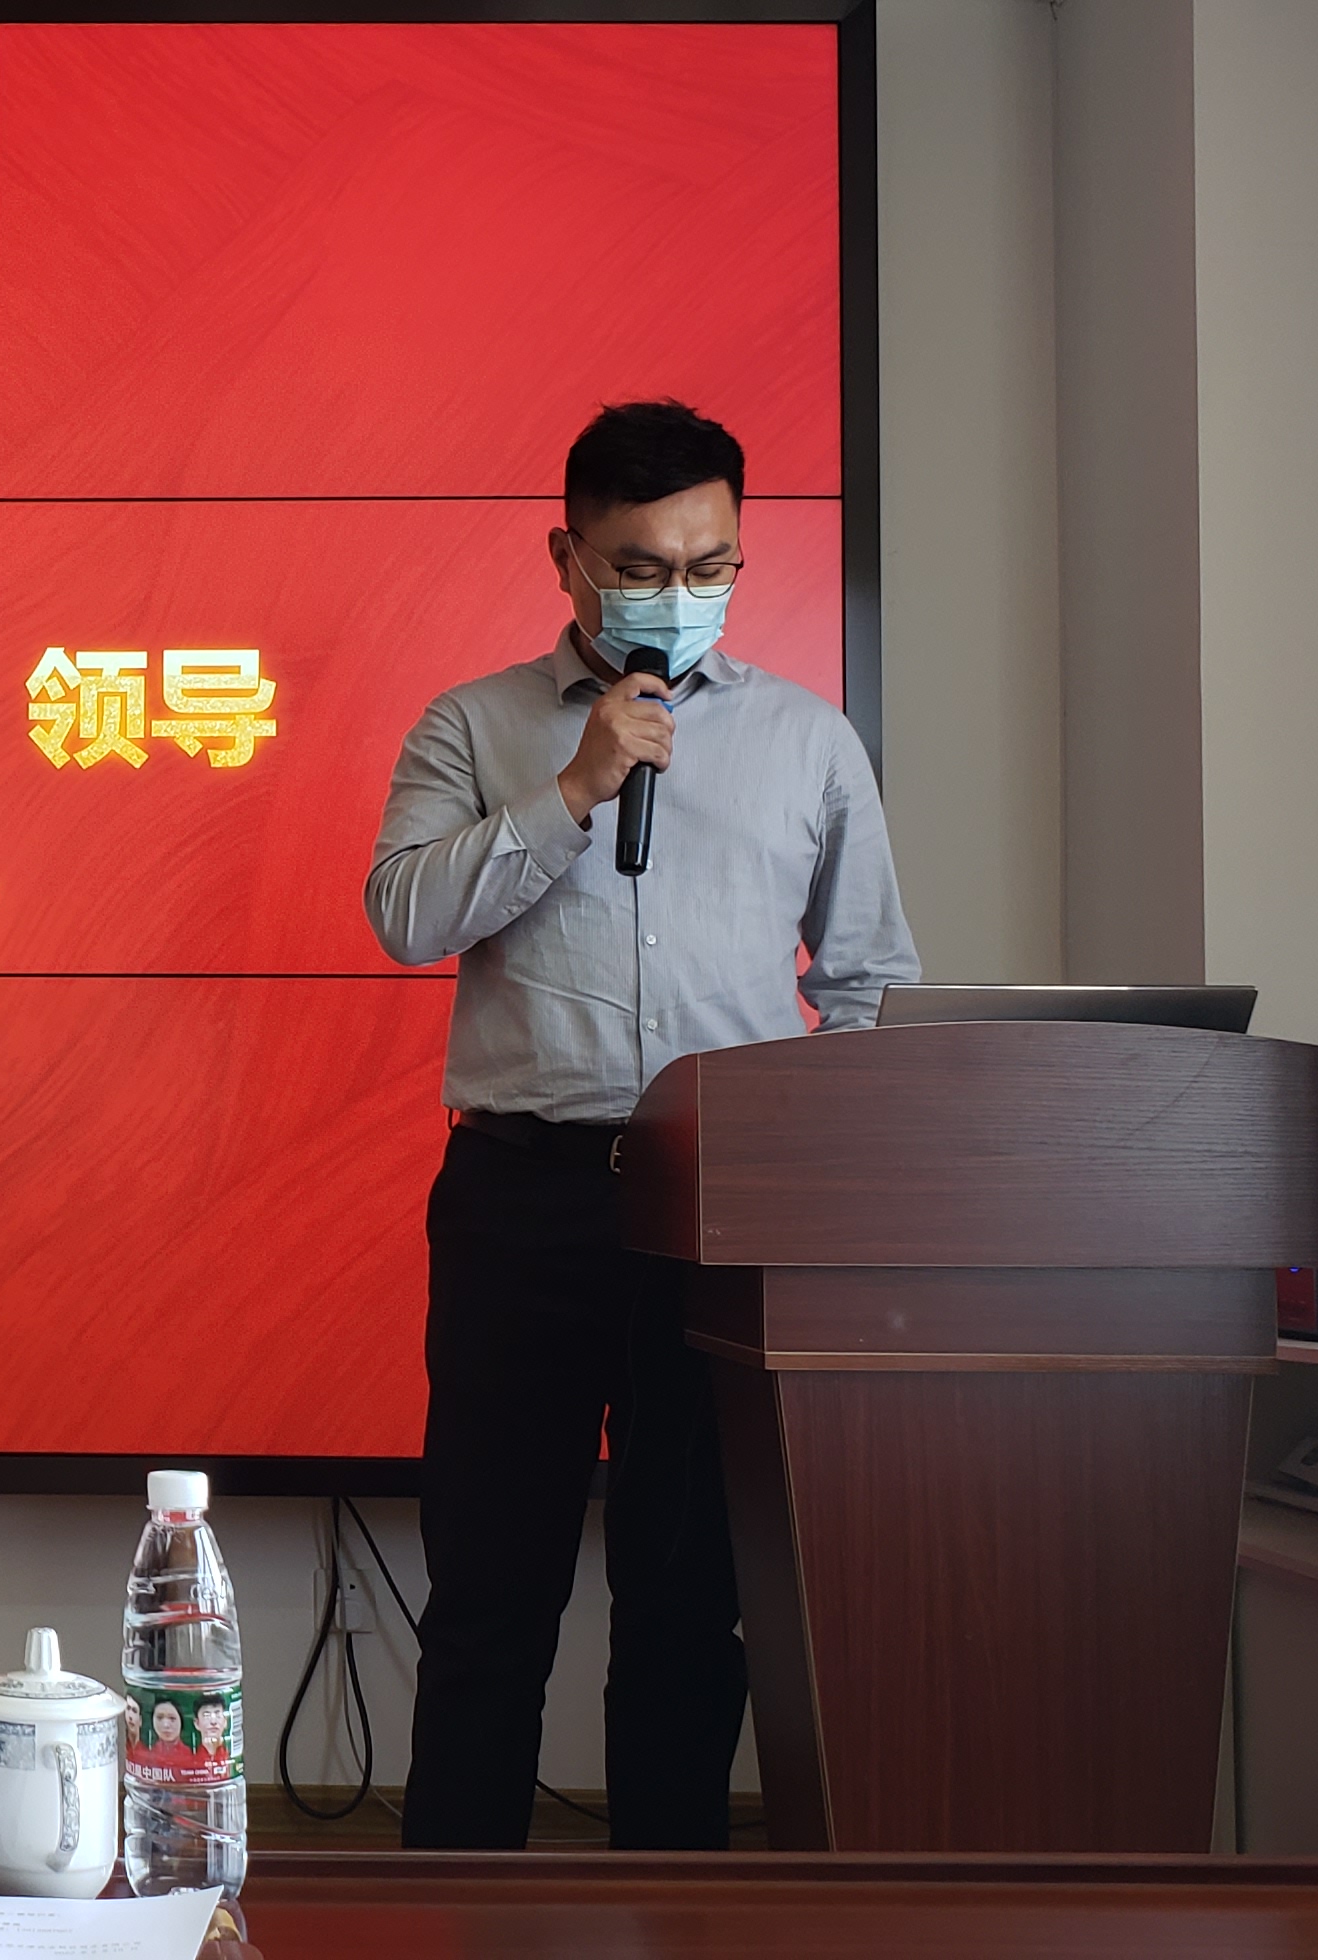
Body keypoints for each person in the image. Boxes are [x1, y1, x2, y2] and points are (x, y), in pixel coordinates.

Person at [361, 399, 918, 1850]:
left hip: (721, 1205)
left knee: (690, 1594)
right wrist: (573, 790)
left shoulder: (808, 741)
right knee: (492, 1586)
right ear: (568, 557)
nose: (680, 594)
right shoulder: (474, 725)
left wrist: (817, 1184)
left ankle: (672, 1910)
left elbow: (868, 983)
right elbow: (405, 917)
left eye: (708, 564)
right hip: (523, 1201)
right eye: (643, 566)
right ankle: (455, 1915)